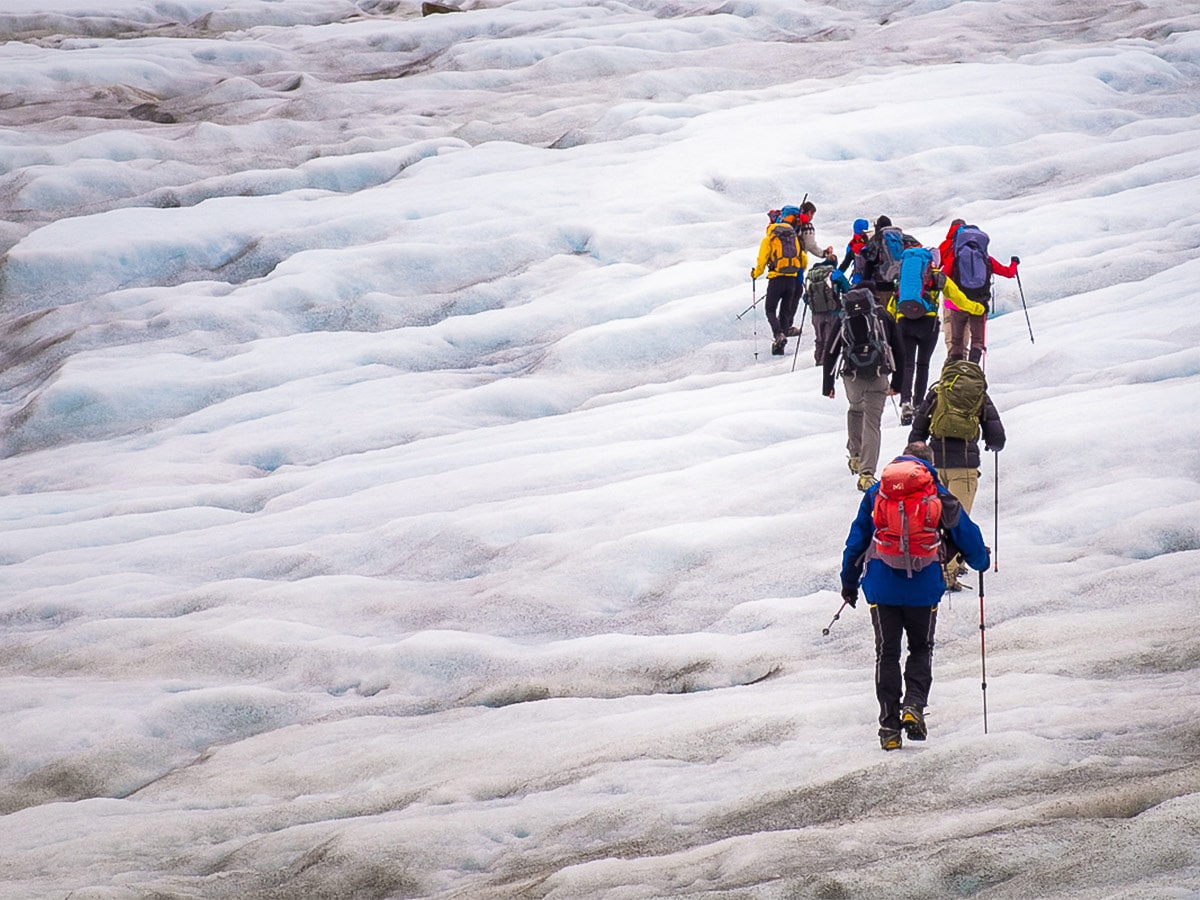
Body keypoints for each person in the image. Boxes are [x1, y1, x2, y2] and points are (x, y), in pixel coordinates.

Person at [839, 441, 990, 750]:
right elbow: (968, 536)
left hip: (882, 588)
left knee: (887, 653)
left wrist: (849, 583)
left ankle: (889, 729)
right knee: (921, 648)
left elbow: (856, 541)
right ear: (927, 466)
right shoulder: (938, 494)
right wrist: (981, 561)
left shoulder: (877, 493)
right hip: (924, 587)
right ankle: (914, 706)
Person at [907, 358, 1006, 590]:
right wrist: (992, 445)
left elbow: (916, 433)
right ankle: (948, 573)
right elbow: (997, 437)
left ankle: (934, 567)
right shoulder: (979, 395)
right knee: (956, 521)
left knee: (932, 519)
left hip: (936, 464)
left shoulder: (937, 393)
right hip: (965, 465)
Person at [821, 287, 906, 491]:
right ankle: (867, 474)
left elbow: (830, 351)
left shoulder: (845, 317)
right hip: (878, 376)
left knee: (856, 409)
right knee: (872, 424)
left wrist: (828, 385)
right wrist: (898, 383)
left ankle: (855, 455)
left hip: (853, 376)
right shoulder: (883, 316)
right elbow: (900, 349)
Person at [936, 219, 1019, 363]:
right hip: (979, 304)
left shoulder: (952, 253)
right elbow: (1009, 273)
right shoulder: (986, 258)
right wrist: (1014, 263)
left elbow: (941, 275)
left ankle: (955, 366)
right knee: (977, 340)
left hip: (956, 302)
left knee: (956, 339)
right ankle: (972, 370)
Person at [751, 206, 805, 356]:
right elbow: (803, 259)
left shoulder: (770, 238)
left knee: (770, 309)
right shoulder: (793, 237)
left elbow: (762, 260)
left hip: (776, 279)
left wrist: (755, 273)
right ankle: (780, 345)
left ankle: (778, 335)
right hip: (792, 280)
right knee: (785, 312)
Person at [804, 261, 851, 367]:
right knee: (830, 337)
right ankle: (827, 362)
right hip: (833, 312)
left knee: (819, 338)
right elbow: (847, 289)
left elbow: (806, 297)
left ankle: (818, 360)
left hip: (816, 314)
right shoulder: (834, 274)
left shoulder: (810, 276)